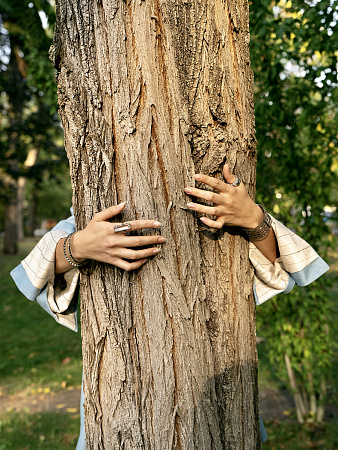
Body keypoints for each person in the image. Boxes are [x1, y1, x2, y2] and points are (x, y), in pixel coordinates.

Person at [11, 164, 329, 447]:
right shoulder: (91, 210)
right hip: (124, 400)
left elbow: (280, 265)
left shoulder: (224, 210)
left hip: (219, 394)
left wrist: (255, 219)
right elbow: (34, 274)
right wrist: (78, 245)